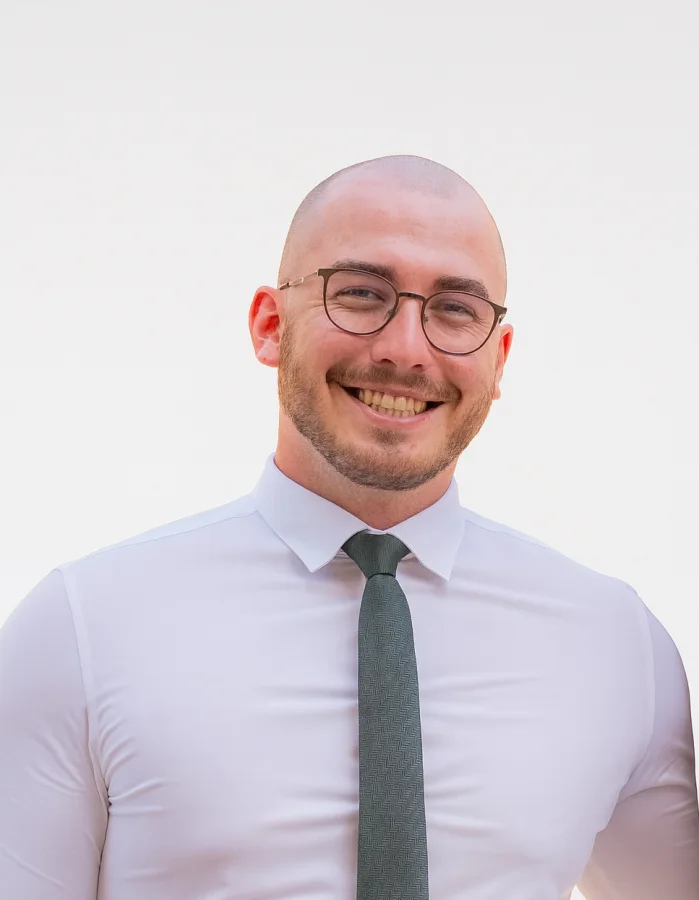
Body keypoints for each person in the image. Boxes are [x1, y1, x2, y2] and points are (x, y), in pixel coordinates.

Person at [1, 155, 697, 900]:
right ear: (270, 326)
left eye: (455, 309)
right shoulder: (82, 627)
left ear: (498, 361)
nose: (405, 349)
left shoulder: (616, 644)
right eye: (361, 294)